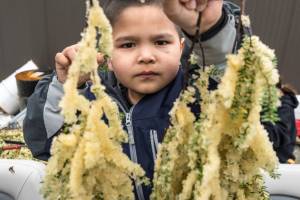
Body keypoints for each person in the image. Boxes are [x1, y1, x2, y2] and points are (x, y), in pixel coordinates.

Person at [23, 0, 248, 199]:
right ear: (107, 57)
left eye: (161, 42)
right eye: (128, 45)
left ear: (181, 48)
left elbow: (230, 75)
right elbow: (45, 145)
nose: (146, 56)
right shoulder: (93, 100)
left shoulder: (196, 94)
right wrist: (68, 87)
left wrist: (211, 30)